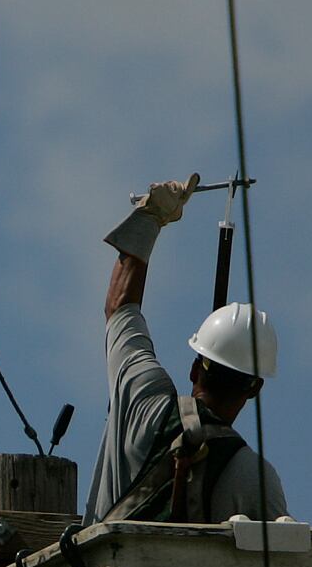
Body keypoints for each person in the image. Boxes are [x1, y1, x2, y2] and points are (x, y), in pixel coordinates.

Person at [83, 174, 287, 525]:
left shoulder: (144, 402)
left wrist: (150, 219)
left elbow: (120, 307)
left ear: (196, 370)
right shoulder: (254, 478)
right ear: (256, 388)